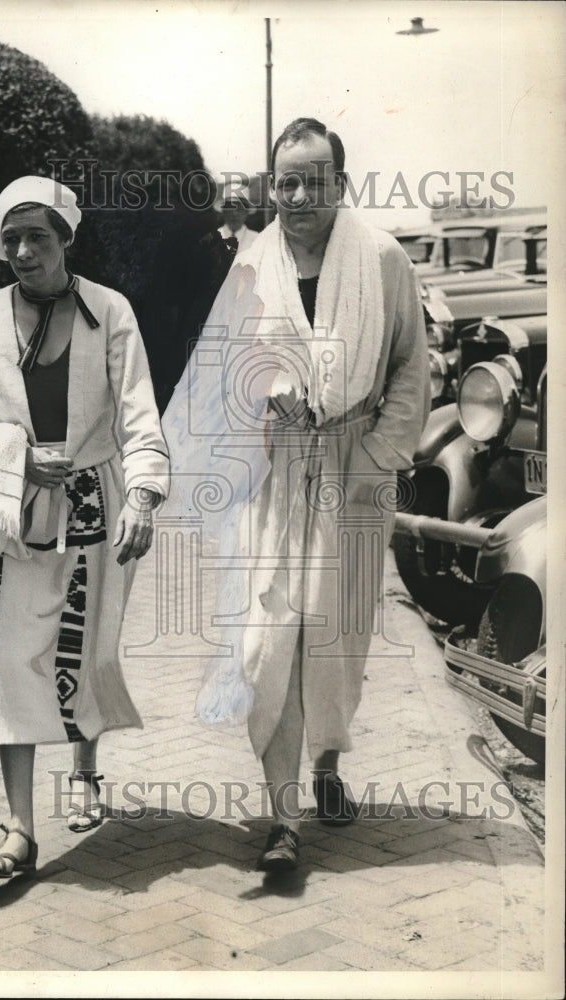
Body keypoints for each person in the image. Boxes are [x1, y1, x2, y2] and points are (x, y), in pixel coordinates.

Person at [162, 118, 429, 872]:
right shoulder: (251, 263)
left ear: (340, 184)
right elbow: (222, 369)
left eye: (314, 179)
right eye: (286, 180)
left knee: (334, 635)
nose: (299, 194)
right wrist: (265, 400)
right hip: (274, 471)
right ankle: (282, 817)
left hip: (355, 464)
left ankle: (328, 763)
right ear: (269, 185)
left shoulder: (380, 259)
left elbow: (411, 367)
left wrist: (377, 453)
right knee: (268, 633)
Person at [0, 176, 169, 878]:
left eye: (37, 236)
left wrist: (145, 496)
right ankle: (19, 830)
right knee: (8, 660)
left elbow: (137, 412)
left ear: (66, 237)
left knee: (87, 652)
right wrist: (11, 456)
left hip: (95, 506)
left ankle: (87, 774)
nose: (24, 251)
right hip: (11, 513)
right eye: (11, 239)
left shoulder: (109, 310)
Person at [217, 187, 258, 254]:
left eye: (239, 209)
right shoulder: (213, 239)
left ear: (246, 212)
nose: (234, 213)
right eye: (230, 208)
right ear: (223, 211)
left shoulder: (257, 239)